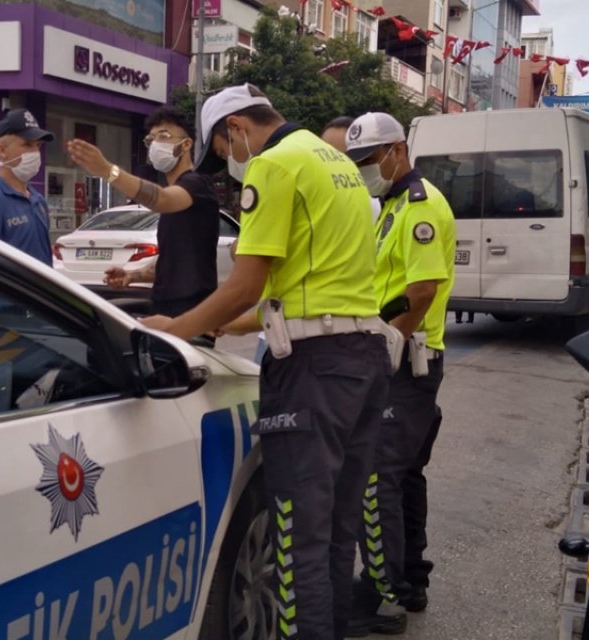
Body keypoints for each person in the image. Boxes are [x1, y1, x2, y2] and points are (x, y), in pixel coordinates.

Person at [141, 83, 390, 640]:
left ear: (237, 129)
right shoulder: (336, 164)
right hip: (363, 360)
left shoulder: (275, 166)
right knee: (335, 534)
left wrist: (174, 330)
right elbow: (308, 286)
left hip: (314, 372)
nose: (230, 162)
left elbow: (248, 281)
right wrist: (220, 324)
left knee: (297, 537)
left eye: (226, 150)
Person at [344, 112, 457, 636]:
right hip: (403, 354)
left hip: (408, 359)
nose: (366, 169)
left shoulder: (419, 207)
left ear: (396, 151)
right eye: (358, 162)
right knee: (405, 474)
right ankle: (410, 579)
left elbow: (422, 292)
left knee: (377, 476)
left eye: (369, 160)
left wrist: (388, 343)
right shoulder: (388, 206)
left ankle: (382, 595)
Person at [65, 106, 220, 316]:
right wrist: (133, 275)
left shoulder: (197, 184)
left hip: (193, 309)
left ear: (186, 144)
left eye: (164, 136)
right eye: (151, 139)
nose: (156, 144)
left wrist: (108, 170)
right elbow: (171, 260)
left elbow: (160, 200)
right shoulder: (176, 194)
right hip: (165, 304)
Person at [0, 108, 55, 267]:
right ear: (2, 150)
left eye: (38, 145)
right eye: (27, 145)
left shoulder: (38, 200)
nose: (35, 152)